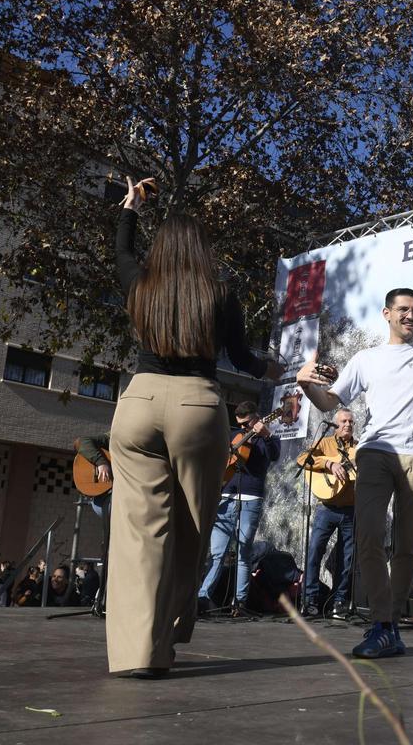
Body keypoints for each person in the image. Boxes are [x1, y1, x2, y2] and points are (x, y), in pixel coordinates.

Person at [107, 176, 282, 678]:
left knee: (139, 536)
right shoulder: (220, 294)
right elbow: (243, 359)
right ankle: (164, 640)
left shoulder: (141, 285)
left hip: (139, 402)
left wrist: (130, 208)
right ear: (202, 250)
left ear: (160, 249)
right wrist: (274, 369)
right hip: (198, 408)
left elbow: (121, 253)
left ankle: (135, 653)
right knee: (190, 532)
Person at [296, 247, 413, 659]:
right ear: (387, 314)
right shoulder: (367, 359)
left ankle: (388, 625)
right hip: (376, 453)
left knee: (407, 547)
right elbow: (329, 402)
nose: (410, 316)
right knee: (368, 537)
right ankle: (383, 624)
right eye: (402, 310)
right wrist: (305, 384)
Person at [198, 401, 280, 615]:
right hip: (227, 495)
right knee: (217, 552)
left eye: (246, 424)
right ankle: (203, 597)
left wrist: (266, 435)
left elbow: (274, 455)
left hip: (251, 497)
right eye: (240, 424)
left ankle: (239, 603)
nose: (243, 428)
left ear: (257, 418)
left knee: (244, 551)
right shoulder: (234, 436)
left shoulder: (267, 438)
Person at [298, 408, 358, 619]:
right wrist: (329, 463)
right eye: (344, 421)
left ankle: (339, 602)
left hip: (350, 510)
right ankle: (310, 600)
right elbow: (302, 459)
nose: (348, 424)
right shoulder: (325, 443)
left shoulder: (359, 448)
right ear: (335, 425)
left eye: (351, 422)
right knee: (315, 551)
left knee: (346, 558)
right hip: (326, 508)